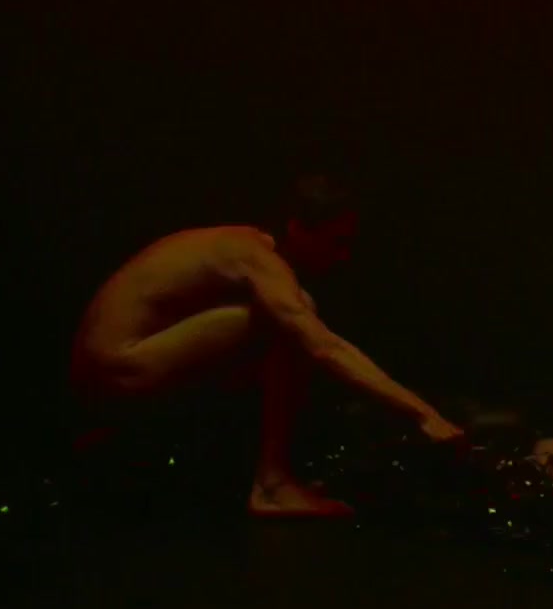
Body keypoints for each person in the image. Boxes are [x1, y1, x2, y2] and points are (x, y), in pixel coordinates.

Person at [68, 173, 465, 519]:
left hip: (115, 368)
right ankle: (272, 485)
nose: (343, 256)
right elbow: (324, 347)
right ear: (297, 228)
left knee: (273, 330)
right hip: (114, 369)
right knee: (294, 318)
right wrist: (423, 414)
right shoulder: (253, 257)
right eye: (337, 242)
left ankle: (127, 445)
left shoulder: (243, 248)